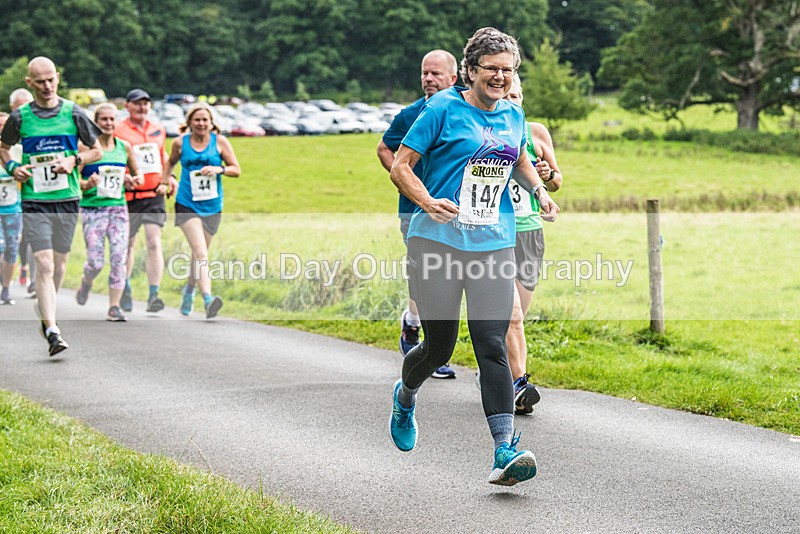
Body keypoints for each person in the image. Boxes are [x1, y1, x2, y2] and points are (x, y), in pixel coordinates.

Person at [388, 28, 559, 486]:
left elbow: (519, 158)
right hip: (437, 241)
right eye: (492, 69)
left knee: (491, 342)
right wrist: (427, 201)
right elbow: (401, 166)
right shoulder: (441, 108)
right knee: (440, 346)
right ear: (470, 71)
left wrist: (539, 191)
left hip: (492, 242)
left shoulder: (514, 115)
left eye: (508, 70)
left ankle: (505, 449)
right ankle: (405, 396)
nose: (500, 77)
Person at [0, 57, 102, 356]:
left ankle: (46, 311)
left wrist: (74, 160)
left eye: (51, 80)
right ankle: (53, 330)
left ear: (57, 78)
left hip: (68, 198)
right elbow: (3, 147)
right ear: (29, 83)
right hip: (34, 200)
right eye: (40, 82)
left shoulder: (73, 112)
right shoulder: (20, 118)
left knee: (57, 266)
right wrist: (14, 166)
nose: (46, 86)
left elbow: (97, 149)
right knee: (43, 264)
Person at [377, 49, 459, 379]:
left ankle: (413, 323)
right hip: (415, 212)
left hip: (455, 212)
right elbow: (385, 148)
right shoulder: (410, 114)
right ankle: (431, 347)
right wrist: (406, 183)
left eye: (435, 74)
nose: (428, 79)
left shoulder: (463, 110)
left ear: (454, 78)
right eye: (425, 73)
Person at [504, 74, 562, 414]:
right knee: (510, 316)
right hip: (498, 231)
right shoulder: (489, 130)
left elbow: (557, 181)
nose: (511, 101)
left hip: (530, 232)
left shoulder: (536, 131)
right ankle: (518, 384)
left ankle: (496, 367)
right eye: (506, 96)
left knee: (517, 316)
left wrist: (547, 175)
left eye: (516, 95)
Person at [162, 102, 240, 319]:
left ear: (211, 122)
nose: (201, 124)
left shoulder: (220, 142)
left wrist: (219, 169)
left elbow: (236, 169)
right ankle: (208, 299)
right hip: (187, 203)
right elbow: (169, 163)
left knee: (199, 256)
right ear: (189, 123)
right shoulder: (180, 143)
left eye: (205, 120)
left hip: (213, 205)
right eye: (197, 120)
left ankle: (188, 291)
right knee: (201, 253)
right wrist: (164, 181)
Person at [75, 103, 143, 321]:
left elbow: (136, 172)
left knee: (118, 257)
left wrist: (134, 179)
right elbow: (74, 181)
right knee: (96, 262)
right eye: (104, 119)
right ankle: (87, 281)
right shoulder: (85, 149)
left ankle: (114, 307)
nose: (108, 123)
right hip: (93, 209)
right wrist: (87, 184)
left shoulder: (124, 147)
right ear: (96, 122)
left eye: (112, 119)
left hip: (118, 209)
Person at [115, 89, 176, 314]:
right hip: (128, 196)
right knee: (127, 245)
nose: (142, 108)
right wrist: (123, 176)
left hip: (154, 193)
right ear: (127, 106)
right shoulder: (119, 130)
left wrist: (170, 178)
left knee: (153, 242)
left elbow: (163, 157)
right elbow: (112, 154)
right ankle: (125, 288)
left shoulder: (157, 129)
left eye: (146, 104)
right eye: (137, 104)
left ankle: (153, 295)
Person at [9, 89, 36, 297]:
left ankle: (34, 280)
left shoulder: (38, 129)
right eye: (20, 105)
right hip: (10, 198)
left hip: (34, 193)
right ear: (13, 108)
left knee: (35, 236)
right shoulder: (8, 131)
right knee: (14, 239)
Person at [0, 112, 21, 304]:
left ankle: (6, 289)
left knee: (12, 249)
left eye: (4, 127)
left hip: (14, 210)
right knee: (0, 246)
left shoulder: (18, 152)